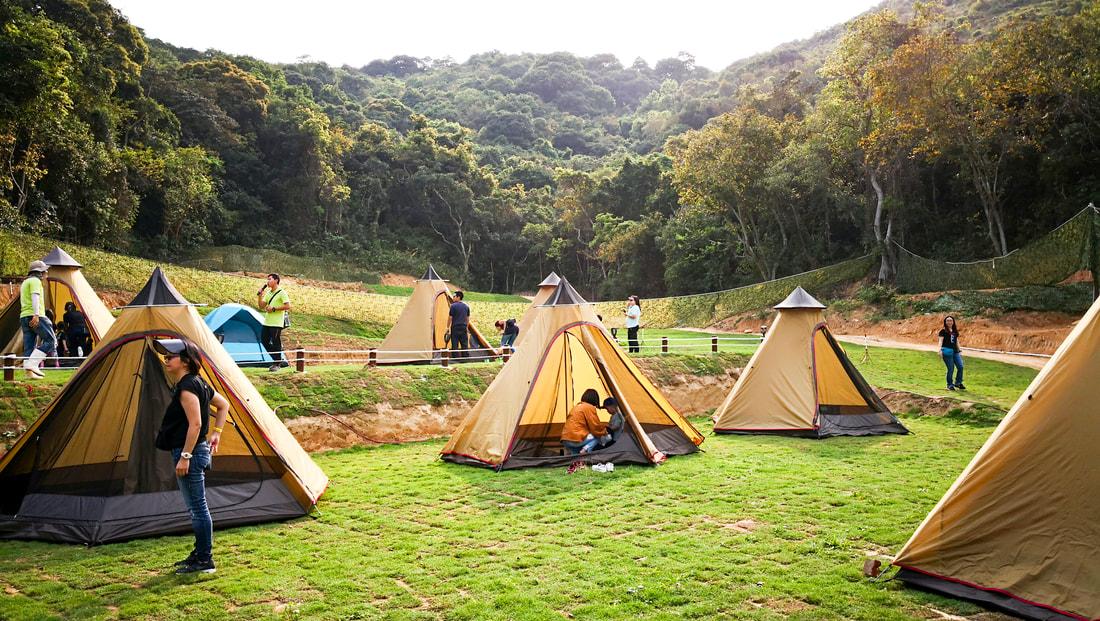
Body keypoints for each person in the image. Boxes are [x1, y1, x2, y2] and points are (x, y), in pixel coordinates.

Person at [153, 338, 230, 575]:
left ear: (185, 361)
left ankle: (205, 560)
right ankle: (200, 553)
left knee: (197, 508)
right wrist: (216, 433)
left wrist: (185, 456)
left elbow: (195, 424)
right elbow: (223, 405)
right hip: (199, 450)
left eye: (171, 356)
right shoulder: (198, 383)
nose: (166, 359)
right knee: (197, 507)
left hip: (191, 452)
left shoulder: (187, 387)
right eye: (165, 356)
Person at [19, 260, 55, 379]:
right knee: (51, 340)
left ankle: (29, 373)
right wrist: (36, 314)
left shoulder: (25, 282)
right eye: (45, 270)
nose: (47, 272)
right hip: (34, 314)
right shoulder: (35, 281)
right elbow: (35, 297)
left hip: (24, 316)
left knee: (29, 344)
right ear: (40, 272)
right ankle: (33, 364)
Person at [256, 274, 291, 372]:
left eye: (270, 279)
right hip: (267, 321)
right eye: (267, 279)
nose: (267, 281)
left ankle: (277, 363)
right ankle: (277, 359)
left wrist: (274, 308)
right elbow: (261, 306)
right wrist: (260, 295)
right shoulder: (268, 293)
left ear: (276, 280)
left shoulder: (282, 292)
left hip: (276, 323)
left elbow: (288, 306)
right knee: (264, 341)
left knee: (275, 342)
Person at [561, 389, 611, 455]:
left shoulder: (576, 407)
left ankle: (577, 457)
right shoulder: (589, 407)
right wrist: (605, 433)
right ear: (595, 399)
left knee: (577, 458)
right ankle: (585, 450)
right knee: (598, 437)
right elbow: (596, 427)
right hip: (576, 439)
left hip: (565, 440)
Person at [938, 316, 966, 391]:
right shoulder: (943, 331)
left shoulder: (954, 331)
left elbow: (956, 341)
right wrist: (939, 350)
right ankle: (949, 384)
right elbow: (940, 341)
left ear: (953, 322)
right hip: (947, 351)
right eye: (947, 321)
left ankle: (958, 383)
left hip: (955, 351)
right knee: (951, 369)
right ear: (945, 322)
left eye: (951, 320)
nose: (949, 322)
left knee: (960, 366)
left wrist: (959, 349)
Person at [448, 291, 471, 359]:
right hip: (463, 327)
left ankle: (455, 358)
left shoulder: (453, 306)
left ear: (458, 297)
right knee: (464, 343)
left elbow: (450, 318)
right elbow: (467, 319)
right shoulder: (466, 307)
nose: (453, 298)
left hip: (455, 327)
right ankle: (465, 357)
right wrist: (466, 327)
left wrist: (447, 327)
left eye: (454, 296)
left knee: (455, 343)